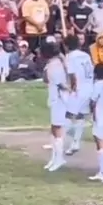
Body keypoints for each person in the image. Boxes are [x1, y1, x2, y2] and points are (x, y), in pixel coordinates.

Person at [64, 34, 94, 156]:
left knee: (68, 115)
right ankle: (75, 143)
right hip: (89, 87)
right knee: (80, 116)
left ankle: (60, 141)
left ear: (66, 46)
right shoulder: (86, 55)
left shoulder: (70, 57)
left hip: (79, 89)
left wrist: (72, 88)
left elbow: (72, 75)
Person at [43, 39, 69, 172]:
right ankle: (54, 157)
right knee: (53, 129)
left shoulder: (55, 65)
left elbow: (61, 84)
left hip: (59, 99)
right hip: (54, 98)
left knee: (58, 129)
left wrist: (70, 90)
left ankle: (59, 159)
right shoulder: (51, 64)